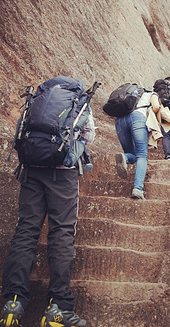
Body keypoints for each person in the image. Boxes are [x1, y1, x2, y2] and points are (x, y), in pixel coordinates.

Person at [0, 78, 95, 327]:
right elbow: (89, 134)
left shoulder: (39, 100)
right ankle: (58, 308)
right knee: (62, 232)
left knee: (25, 232)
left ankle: (12, 303)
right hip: (63, 174)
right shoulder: (78, 101)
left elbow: (21, 129)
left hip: (31, 170)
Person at [115, 89, 160, 200]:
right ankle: (138, 189)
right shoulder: (151, 94)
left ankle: (124, 158)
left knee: (132, 154)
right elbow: (156, 106)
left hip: (119, 121)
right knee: (142, 155)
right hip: (137, 118)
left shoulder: (130, 94)